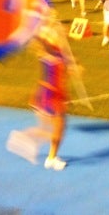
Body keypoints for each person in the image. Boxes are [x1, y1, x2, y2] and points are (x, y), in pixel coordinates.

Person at [26, 15, 81, 170]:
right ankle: (50, 157)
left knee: (49, 128)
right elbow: (41, 40)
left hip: (54, 92)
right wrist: (37, 31)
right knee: (57, 127)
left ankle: (32, 143)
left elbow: (68, 64)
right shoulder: (49, 50)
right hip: (50, 94)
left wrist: (75, 67)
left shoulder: (59, 51)